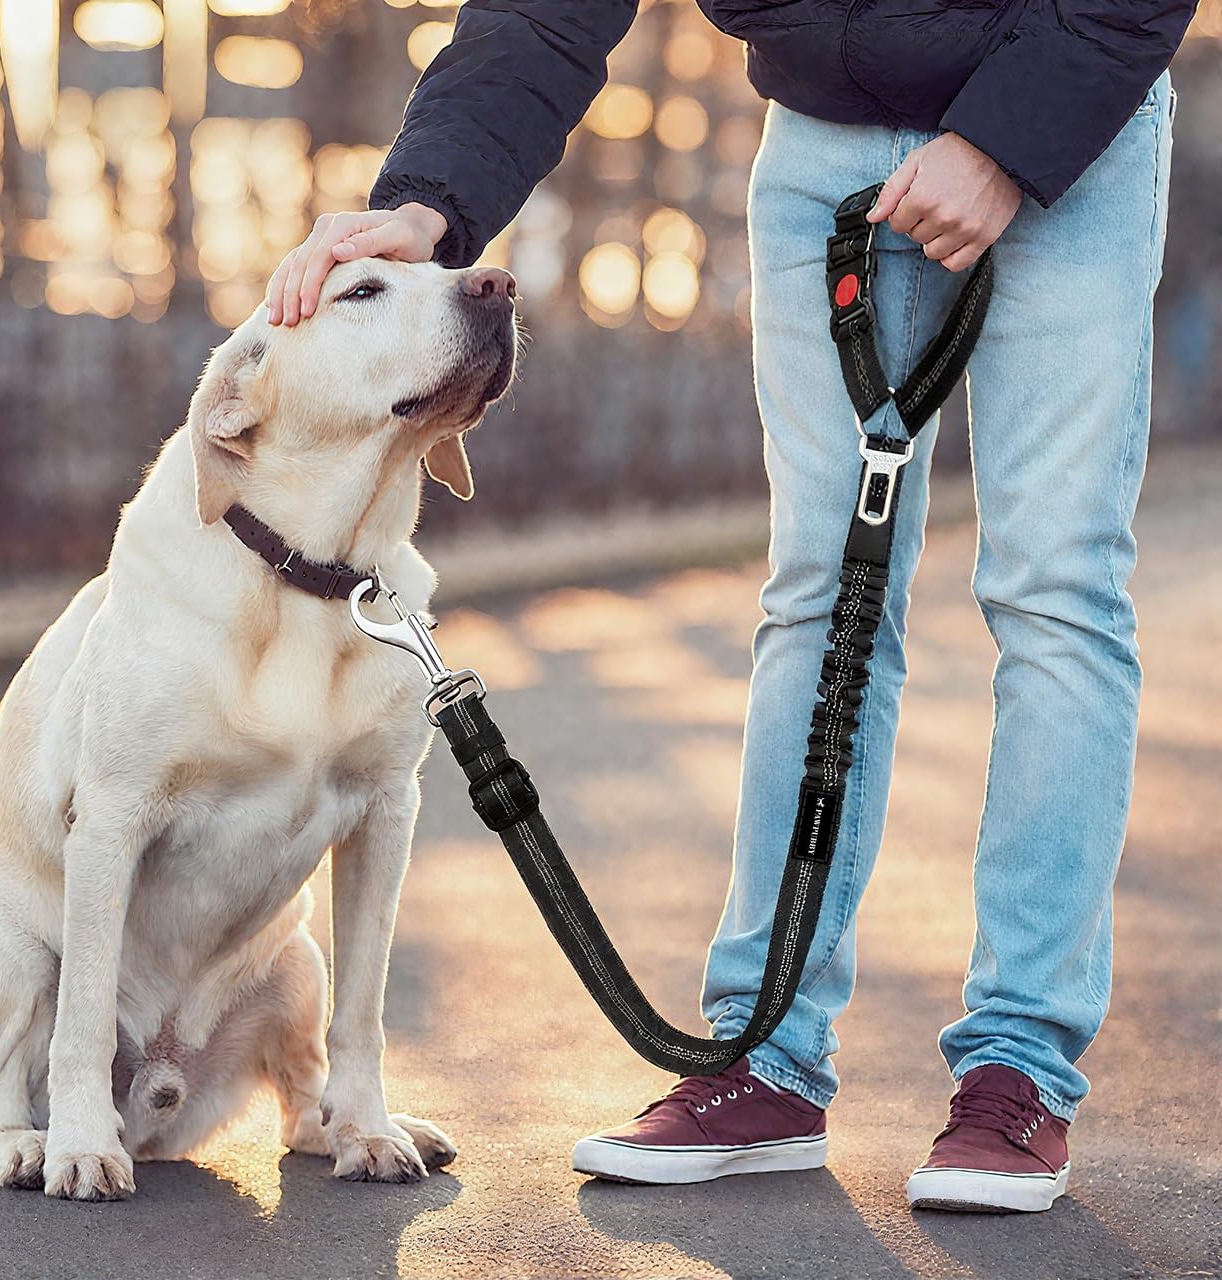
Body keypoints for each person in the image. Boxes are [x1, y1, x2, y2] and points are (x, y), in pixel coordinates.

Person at [267, 1, 1195, 1213]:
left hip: (1069, 126)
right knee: (815, 593)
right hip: (821, 145)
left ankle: (1017, 1070)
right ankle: (765, 1056)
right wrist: (427, 198)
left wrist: (1007, 143)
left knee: (1053, 585)